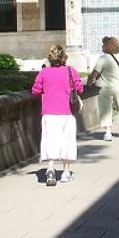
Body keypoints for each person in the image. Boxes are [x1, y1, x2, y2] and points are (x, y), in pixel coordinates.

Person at [31, 44, 84, 186]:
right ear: (64, 57)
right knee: (67, 141)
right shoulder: (70, 71)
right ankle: (66, 172)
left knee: (50, 140)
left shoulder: (44, 72)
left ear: (50, 58)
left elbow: (35, 90)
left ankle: (50, 168)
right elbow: (80, 88)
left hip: (48, 112)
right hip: (66, 112)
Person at [87, 36, 119, 141]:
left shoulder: (103, 58)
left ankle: (108, 132)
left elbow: (95, 73)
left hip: (106, 87)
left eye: (103, 45)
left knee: (105, 109)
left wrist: (89, 82)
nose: (102, 47)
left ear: (107, 47)